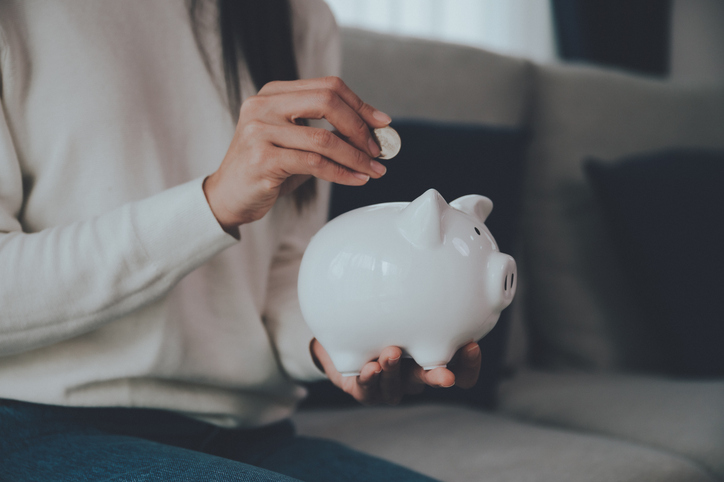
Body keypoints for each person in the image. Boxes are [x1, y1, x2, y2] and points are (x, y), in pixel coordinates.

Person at [0, 1, 482, 480]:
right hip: (35, 421)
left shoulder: (299, 16)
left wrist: (337, 346)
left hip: (247, 432)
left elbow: (285, 266)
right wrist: (212, 204)